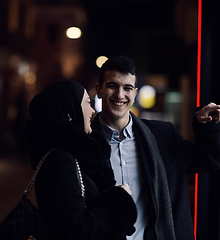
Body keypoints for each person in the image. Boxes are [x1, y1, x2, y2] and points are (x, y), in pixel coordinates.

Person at [91, 56, 220, 240]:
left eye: (127, 88)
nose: (120, 94)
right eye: (112, 86)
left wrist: (206, 126)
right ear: (99, 90)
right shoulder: (84, 141)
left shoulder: (162, 135)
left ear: (135, 93)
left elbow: (209, 160)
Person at [25, 80, 137, 240]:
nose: (92, 111)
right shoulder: (60, 161)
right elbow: (74, 229)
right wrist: (118, 201)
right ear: (70, 111)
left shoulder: (70, 156)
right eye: (86, 103)